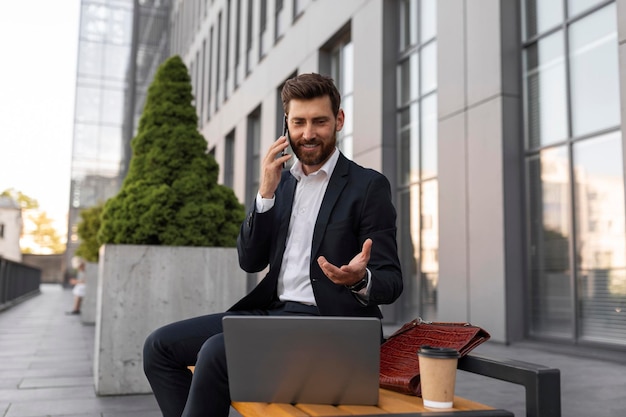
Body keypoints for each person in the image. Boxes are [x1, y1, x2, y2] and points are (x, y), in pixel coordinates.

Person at [143, 73, 403, 417]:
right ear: (286, 124)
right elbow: (249, 261)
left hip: (333, 327)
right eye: (299, 122)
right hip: (274, 315)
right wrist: (264, 194)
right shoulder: (279, 184)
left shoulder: (368, 186)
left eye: (319, 121)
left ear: (338, 120)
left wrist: (359, 279)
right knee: (158, 347)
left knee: (217, 352)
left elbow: (391, 279)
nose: (308, 133)